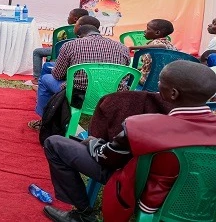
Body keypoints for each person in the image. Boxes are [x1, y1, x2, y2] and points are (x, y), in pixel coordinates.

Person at [41, 61, 216, 222]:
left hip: (138, 191)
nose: (157, 87)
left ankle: (82, 214)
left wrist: (93, 142)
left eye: (160, 83)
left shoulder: (142, 126)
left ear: (173, 93)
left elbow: (106, 158)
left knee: (55, 143)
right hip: (200, 199)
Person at [29, 16, 130, 130]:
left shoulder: (70, 45)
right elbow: (125, 76)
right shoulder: (123, 48)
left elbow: (58, 75)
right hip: (110, 95)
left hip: (78, 96)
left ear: (79, 29)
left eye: (76, 24)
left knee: (45, 78)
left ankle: (44, 121)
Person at [31, 8, 90, 85]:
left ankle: (37, 78)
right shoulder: (90, 30)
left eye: (69, 16)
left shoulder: (63, 30)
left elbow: (57, 43)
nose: (68, 18)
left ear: (75, 19)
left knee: (37, 52)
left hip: (60, 53)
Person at [130, 19, 176, 86]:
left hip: (147, 81)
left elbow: (162, 46)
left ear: (157, 33)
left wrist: (133, 47)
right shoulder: (171, 45)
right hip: (165, 82)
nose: (145, 31)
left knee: (126, 74)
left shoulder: (155, 45)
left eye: (148, 29)